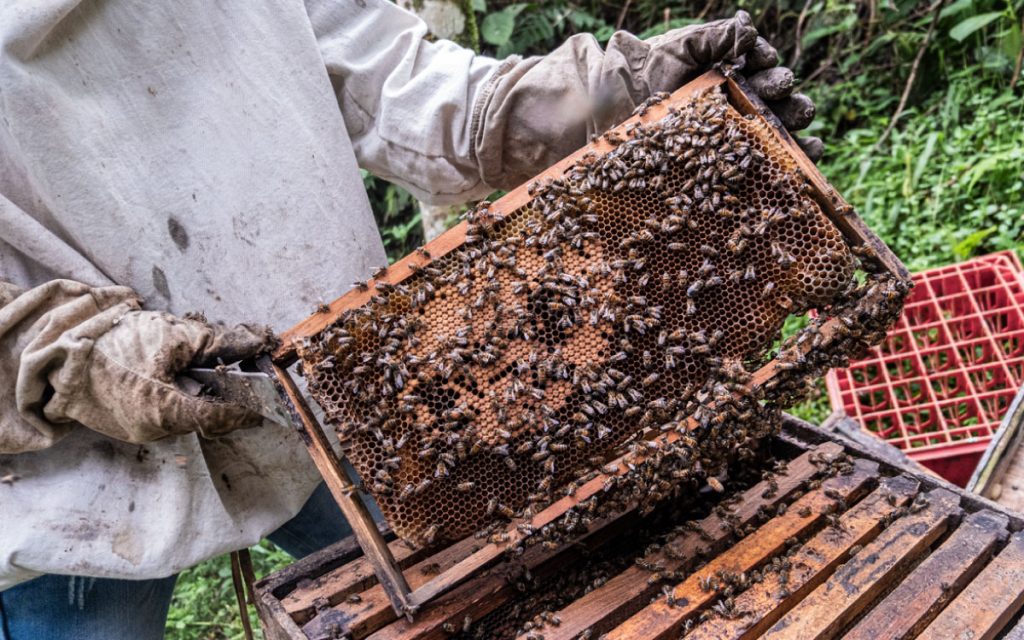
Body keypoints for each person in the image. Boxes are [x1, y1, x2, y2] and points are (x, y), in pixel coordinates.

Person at [0, 1, 818, 637]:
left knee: (480, 598)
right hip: (70, 476)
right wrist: (70, 356)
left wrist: (609, 91)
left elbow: (403, 85)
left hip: (324, 391)